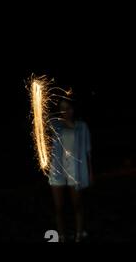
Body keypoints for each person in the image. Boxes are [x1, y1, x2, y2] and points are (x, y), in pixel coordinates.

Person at [49, 99, 93, 242]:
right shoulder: (55, 125)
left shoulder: (82, 126)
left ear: (74, 109)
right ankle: (61, 236)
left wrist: (90, 173)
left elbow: (87, 151)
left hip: (76, 169)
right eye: (62, 108)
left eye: (68, 108)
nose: (65, 112)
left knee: (77, 205)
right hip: (57, 170)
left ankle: (79, 234)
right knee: (58, 207)